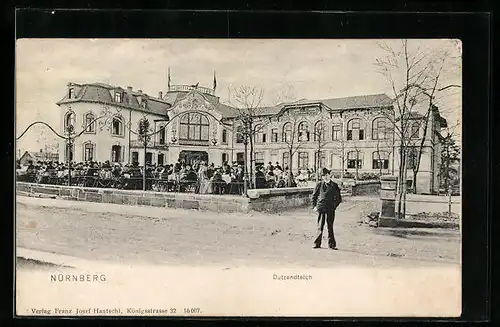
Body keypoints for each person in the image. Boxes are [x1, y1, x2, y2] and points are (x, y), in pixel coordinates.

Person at [311, 168, 342, 250]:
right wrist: (314, 206)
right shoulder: (319, 185)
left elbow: (339, 198)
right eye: (323, 176)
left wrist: (334, 206)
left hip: (330, 209)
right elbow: (314, 196)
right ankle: (317, 243)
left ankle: (331, 245)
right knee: (320, 227)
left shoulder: (334, 185)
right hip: (321, 208)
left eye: (327, 175)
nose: (325, 177)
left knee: (330, 227)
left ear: (330, 175)